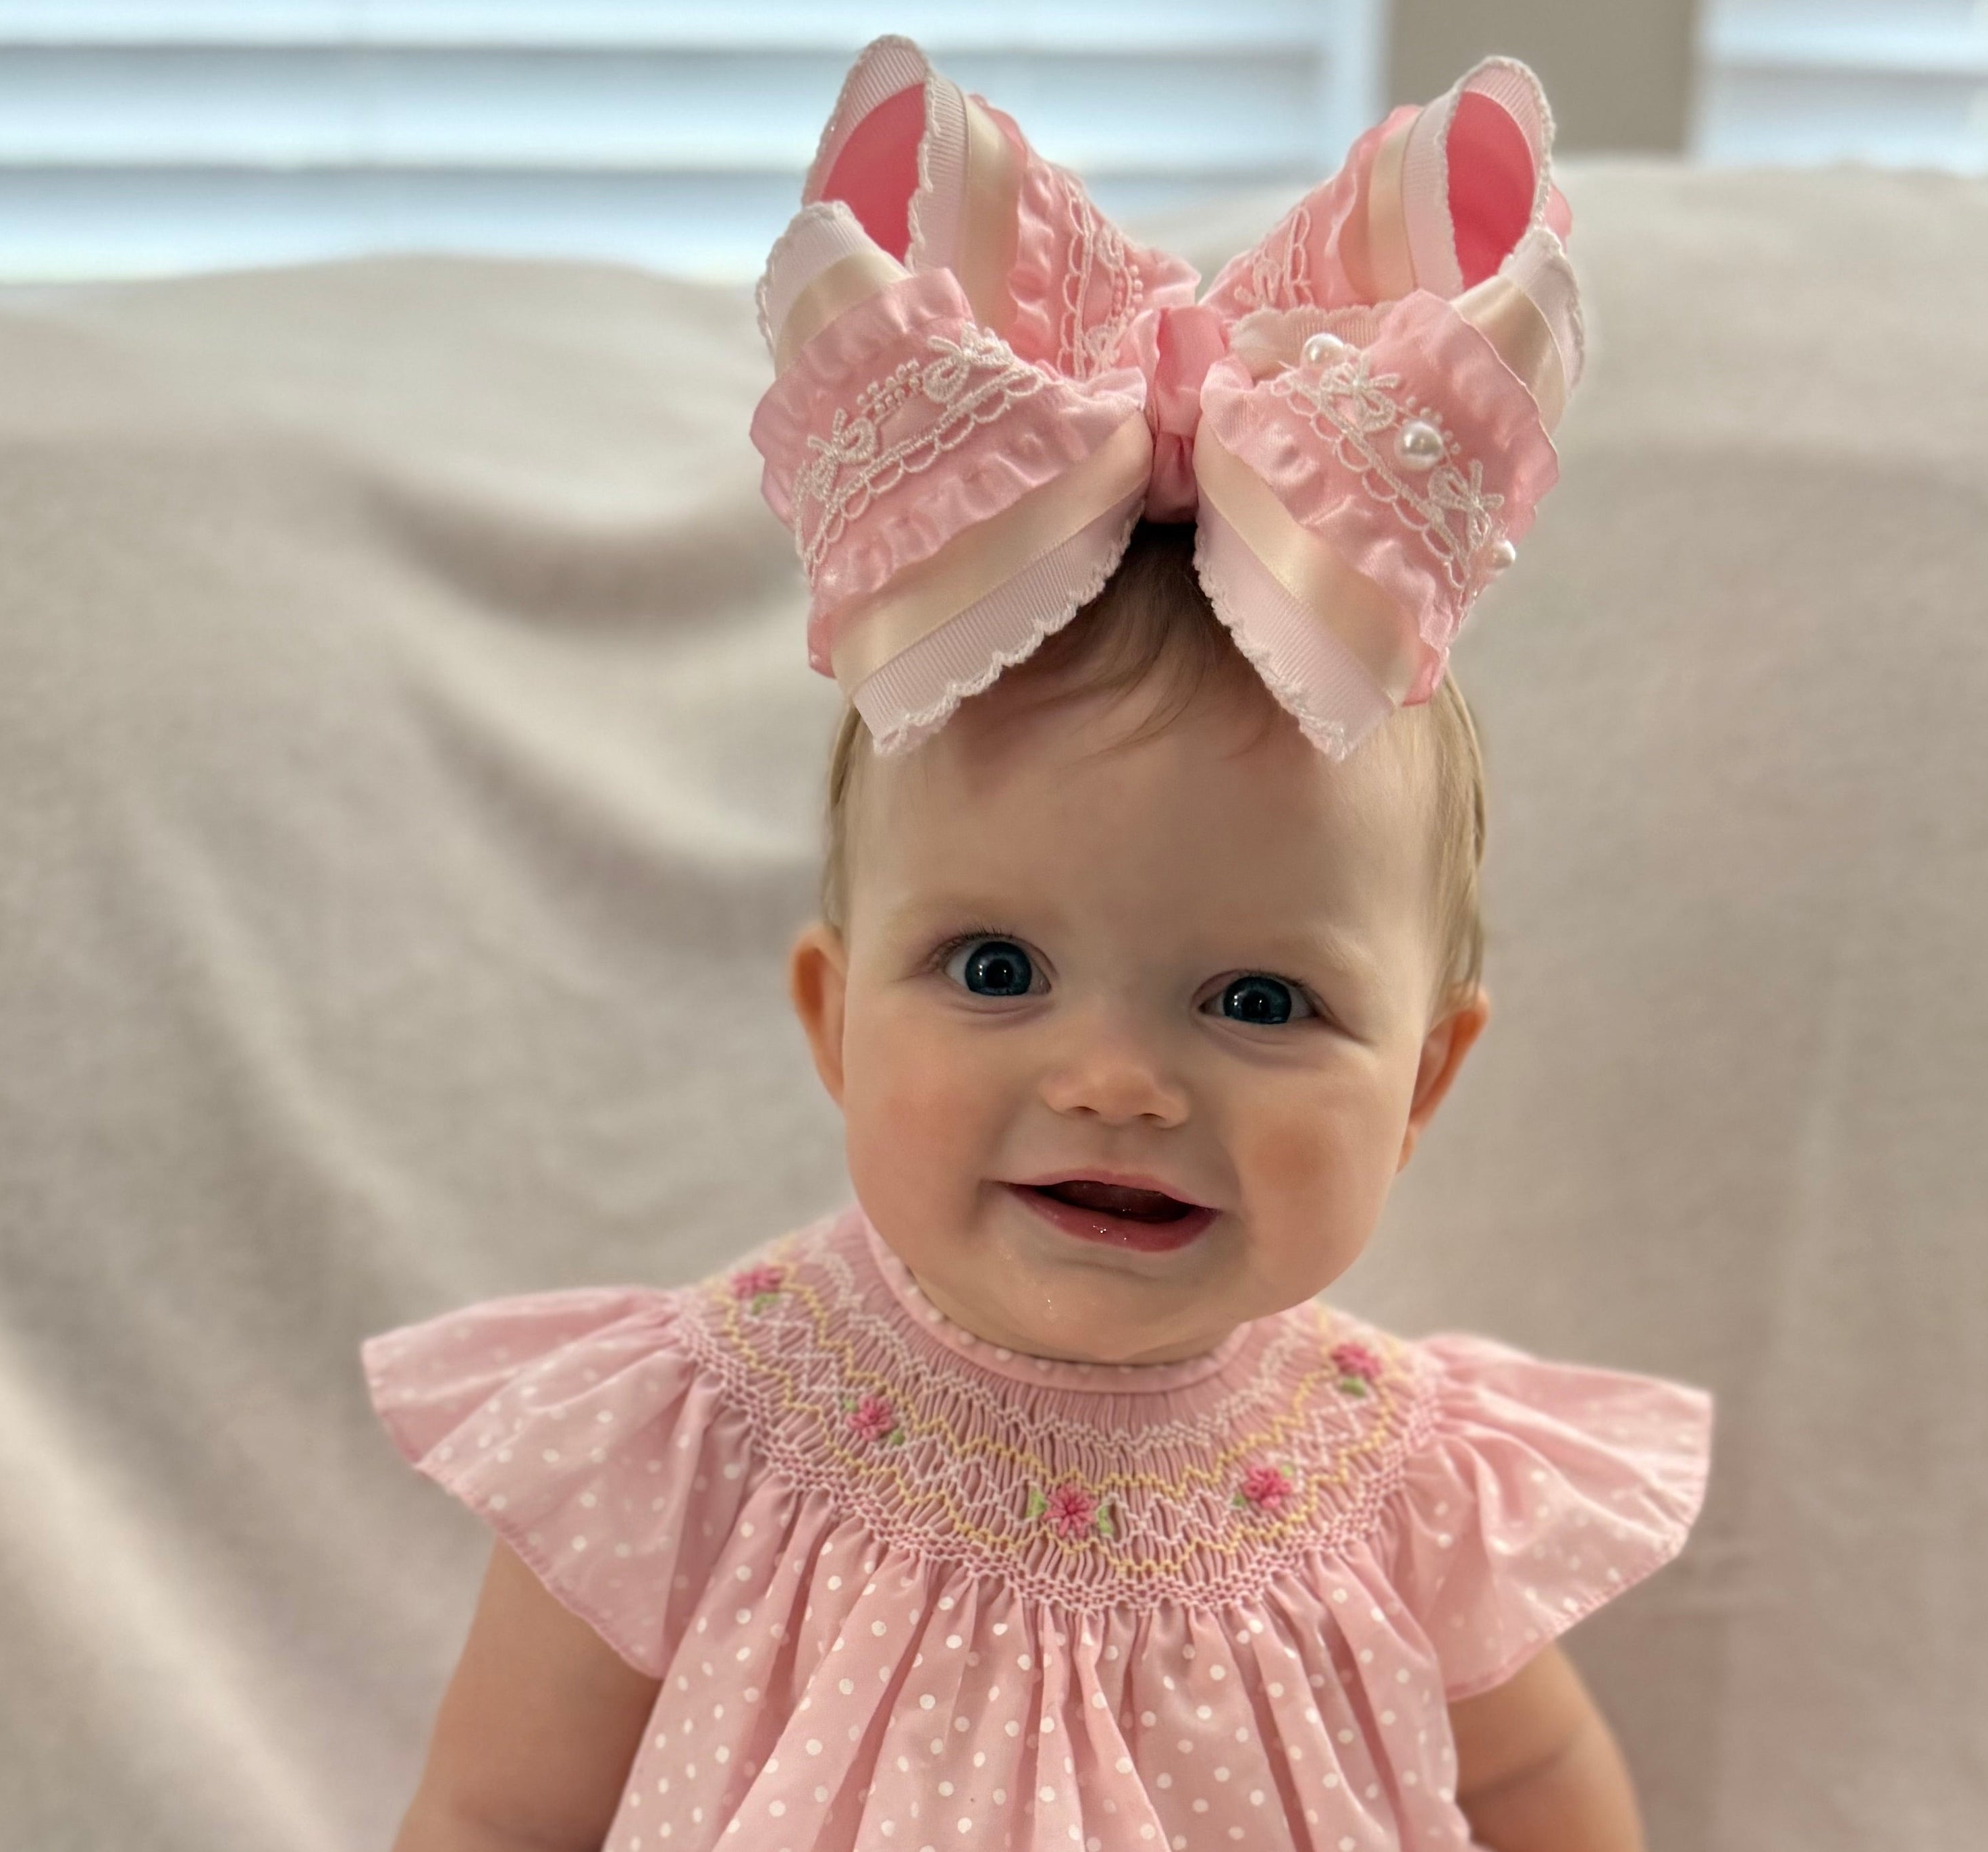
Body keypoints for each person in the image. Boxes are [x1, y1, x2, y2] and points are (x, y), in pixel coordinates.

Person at [362, 36, 1712, 1852]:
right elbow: (497, 1816)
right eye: (995, 970)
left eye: (1261, 1000)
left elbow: (1538, 1779)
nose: (1113, 1082)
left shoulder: (1391, 1483)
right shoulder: (703, 1439)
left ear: (1425, 1081)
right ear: (834, 1018)